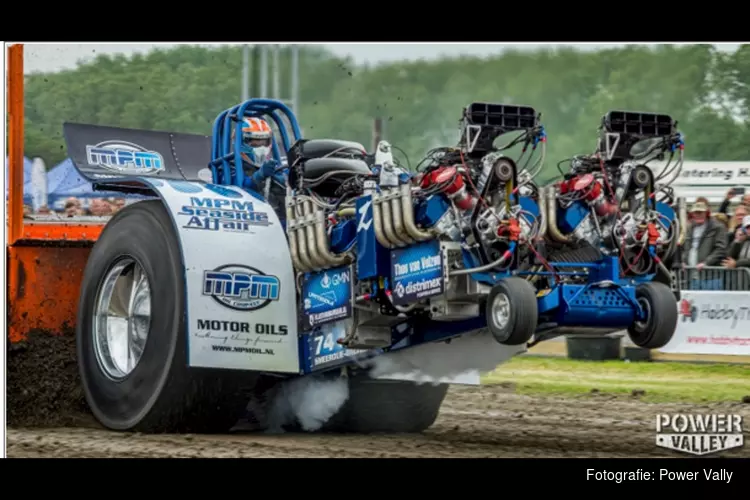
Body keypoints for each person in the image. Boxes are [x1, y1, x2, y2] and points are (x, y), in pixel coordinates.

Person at [234, 117, 287, 218]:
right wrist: (259, 176)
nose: (261, 147)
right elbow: (236, 188)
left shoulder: (275, 166)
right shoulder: (229, 167)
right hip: (248, 219)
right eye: (255, 142)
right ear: (242, 141)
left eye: (264, 142)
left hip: (278, 219)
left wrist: (285, 180)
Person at [678, 197, 727, 270]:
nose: (698, 215)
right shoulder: (689, 228)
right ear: (692, 214)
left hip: (710, 274)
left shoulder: (718, 227)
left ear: (706, 213)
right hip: (690, 272)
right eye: (696, 212)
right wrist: (683, 261)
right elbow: (685, 248)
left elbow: (720, 249)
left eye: (700, 212)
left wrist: (706, 263)